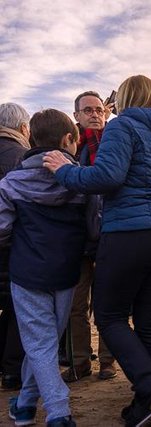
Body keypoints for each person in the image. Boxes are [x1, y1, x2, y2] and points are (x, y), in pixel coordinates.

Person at [43, 75, 151, 426]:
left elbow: (107, 178)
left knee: (109, 316)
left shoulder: (123, 126)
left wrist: (66, 171)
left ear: (124, 98)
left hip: (131, 232)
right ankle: (147, 404)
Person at [3, 108, 94, 427]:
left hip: (27, 271)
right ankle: (25, 405)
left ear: (31, 138)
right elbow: (93, 225)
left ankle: (57, 411)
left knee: (39, 344)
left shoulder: (12, 181)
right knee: (44, 343)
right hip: (67, 272)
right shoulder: (81, 181)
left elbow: (1, 229)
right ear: (69, 139)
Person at [62, 90, 116, 383]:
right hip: (79, 235)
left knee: (108, 303)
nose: (95, 114)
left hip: (110, 232)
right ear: (77, 116)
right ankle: (81, 361)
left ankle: (108, 361)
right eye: (88, 111)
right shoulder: (68, 148)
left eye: (99, 110)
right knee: (76, 305)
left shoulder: (114, 142)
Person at [0, 102, 29, 392]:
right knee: (16, 308)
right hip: (12, 247)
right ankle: (11, 372)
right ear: (23, 128)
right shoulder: (23, 158)